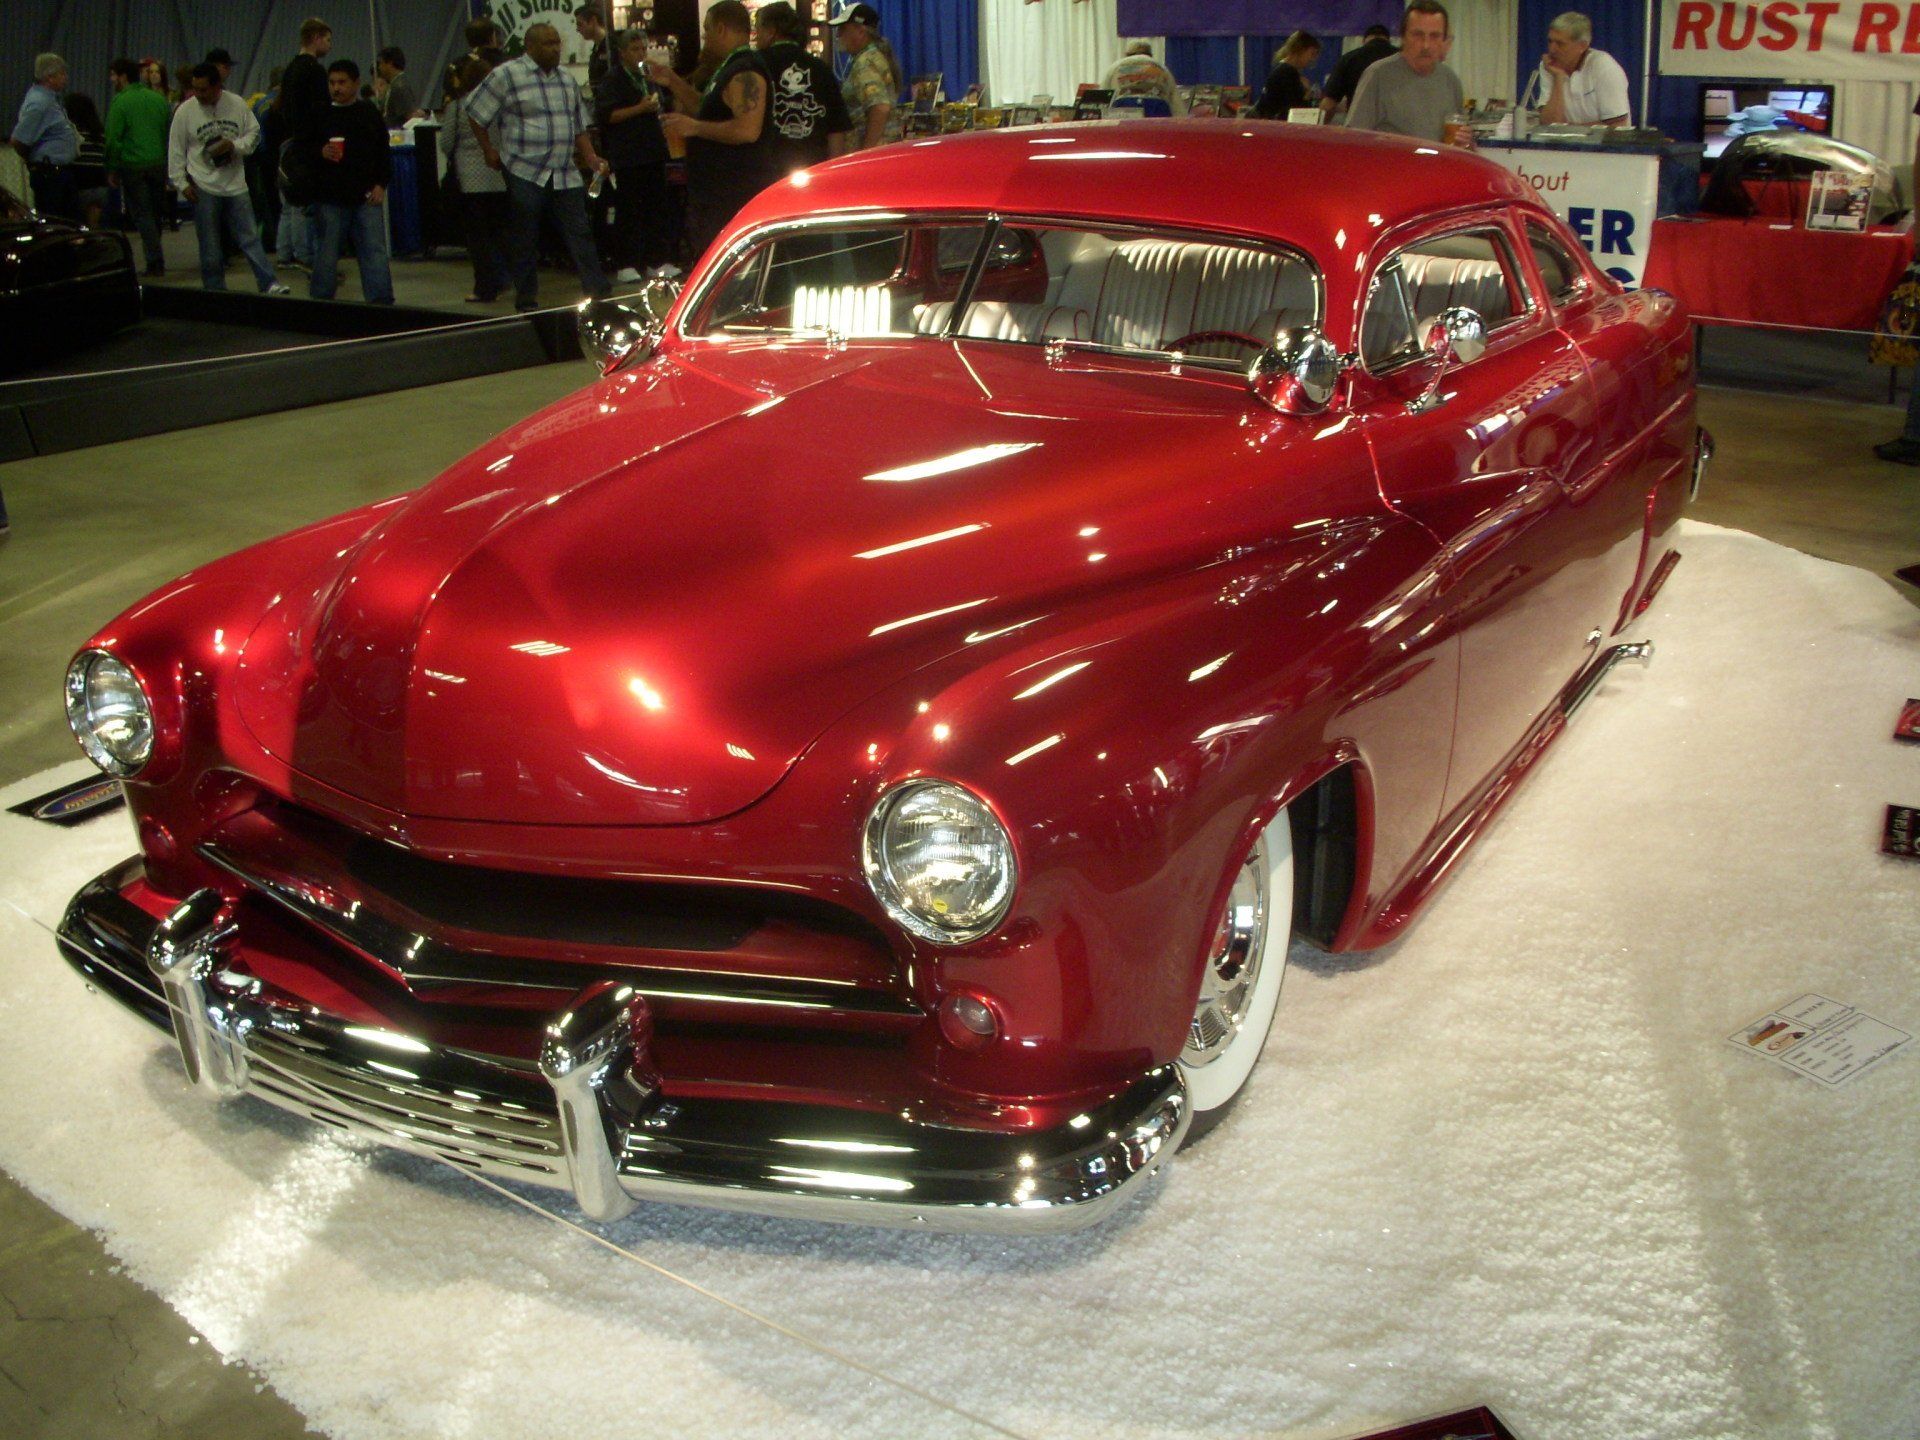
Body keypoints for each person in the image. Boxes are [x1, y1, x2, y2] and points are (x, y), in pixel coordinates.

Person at [462, 20, 610, 312]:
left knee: (580, 232)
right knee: (525, 237)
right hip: (524, 170)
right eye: (548, 44)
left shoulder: (566, 79)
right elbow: (475, 111)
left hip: (564, 171)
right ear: (529, 47)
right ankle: (526, 299)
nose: (555, 49)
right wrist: (488, 149)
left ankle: (598, 292)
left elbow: (578, 125)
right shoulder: (506, 75)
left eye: (557, 43)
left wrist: (591, 157)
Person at [651, 1, 776, 262]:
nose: (704, 38)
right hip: (716, 194)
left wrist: (694, 127)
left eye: (706, 30)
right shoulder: (729, 68)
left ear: (721, 29)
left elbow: (747, 130)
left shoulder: (745, 70)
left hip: (732, 195)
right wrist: (672, 81)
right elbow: (704, 109)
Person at [168, 62, 289, 293]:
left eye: (203, 89)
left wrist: (234, 146)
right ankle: (215, 289)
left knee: (250, 238)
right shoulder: (184, 112)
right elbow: (175, 149)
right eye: (195, 89)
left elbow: (254, 134)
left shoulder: (237, 104)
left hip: (235, 186)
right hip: (203, 186)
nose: (198, 94)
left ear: (217, 86)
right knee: (210, 243)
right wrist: (181, 183)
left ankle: (268, 283)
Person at [300, 58, 393, 303]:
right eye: (332, 83)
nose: (336, 88)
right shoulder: (319, 114)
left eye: (342, 82)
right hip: (329, 197)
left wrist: (381, 184)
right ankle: (321, 300)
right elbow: (303, 149)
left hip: (366, 195)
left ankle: (381, 301)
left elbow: (383, 151)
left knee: (374, 251)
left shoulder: (368, 113)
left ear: (356, 83)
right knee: (326, 252)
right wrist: (320, 151)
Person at [594, 28, 674, 282]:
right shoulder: (613, 80)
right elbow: (608, 116)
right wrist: (640, 108)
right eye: (634, 49)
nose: (640, 54)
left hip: (652, 150)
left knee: (656, 207)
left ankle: (656, 260)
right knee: (629, 209)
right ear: (622, 53)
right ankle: (627, 262)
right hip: (627, 154)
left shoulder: (647, 76)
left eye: (643, 49)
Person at [441, 55, 511, 301]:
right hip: (499, 177)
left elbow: (446, 143)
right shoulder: (501, 107)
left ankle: (484, 287)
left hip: (470, 181)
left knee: (478, 239)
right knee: (500, 235)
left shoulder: (458, 106)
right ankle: (504, 279)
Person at [1343, 1, 1463, 144]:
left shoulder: (1451, 80)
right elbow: (1354, 138)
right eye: (1418, 35)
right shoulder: (1378, 76)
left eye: (1434, 36)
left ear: (1444, 40)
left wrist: (1465, 142)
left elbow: (1457, 141)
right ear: (1403, 37)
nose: (1426, 45)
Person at [753, 2, 850, 175]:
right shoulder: (821, 69)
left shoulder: (755, 65)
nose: (756, 37)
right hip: (813, 167)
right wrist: (833, 172)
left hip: (765, 170)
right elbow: (836, 130)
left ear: (771, 31)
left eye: (758, 30)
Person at [106, 58, 171, 273]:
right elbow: (167, 132)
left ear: (123, 76)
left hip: (133, 165)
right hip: (158, 164)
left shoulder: (120, 102)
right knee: (155, 213)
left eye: (114, 75)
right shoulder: (158, 100)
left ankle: (155, 260)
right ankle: (155, 255)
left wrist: (112, 168)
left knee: (143, 215)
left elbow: (113, 139)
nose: (112, 80)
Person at [278, 18, 333, 268]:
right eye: (328, 40)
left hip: (290, 141)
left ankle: (286, 253)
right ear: (316, 38)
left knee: (291, 204)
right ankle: (307, 257)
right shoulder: (315, 71)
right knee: (306, 206)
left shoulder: (290, 69)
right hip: (310, 145)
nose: (330, 45)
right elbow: (320, 112)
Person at [9, 54, 80, 218]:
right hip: (50, 175)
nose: (66, 78)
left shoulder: (51, 100)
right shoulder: (40, 103)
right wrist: (33, 161)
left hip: (58, 172)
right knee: (55, 220)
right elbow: (18, 139)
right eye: (62, 74)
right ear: (49, 77)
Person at [1534, 13, 1630, 128]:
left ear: (1582, 46)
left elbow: (1618, 125)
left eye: (1560, 44)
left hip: (1605, 139)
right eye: (1550, 41)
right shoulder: (1548, 66)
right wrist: (1558, 77)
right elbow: (1549, 125)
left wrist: (1568, 130)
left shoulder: (1604, 66)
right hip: (1564, 139)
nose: (1552, 49)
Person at [831, 3, 900, 152]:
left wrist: (866, 152)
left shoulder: (865, 63)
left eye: (842, 29)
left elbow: (880, 108)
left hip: (874, 154)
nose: (837, 35)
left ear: (861, 32)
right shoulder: (875, 56)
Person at [1320, 25, 1396, 120]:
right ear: (1389, 40)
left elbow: (1328, 105)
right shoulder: (1403, 59)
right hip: (1397, 124)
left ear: (1363, 41)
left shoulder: (1348, 59)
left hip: (1360, 123)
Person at [64, 92, 110, 227]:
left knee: (76, 228)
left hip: (79, 185)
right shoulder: (100, 133)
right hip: (99, 185)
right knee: (93, 227)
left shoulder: (71, 132)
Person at [1251, 32, 1321, 120]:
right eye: (1312, 54)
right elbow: (1296, 110)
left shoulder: (1283, 70)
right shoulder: (1288, 73)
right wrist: (1307, 93)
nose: (1312, 59)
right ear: (1300, 50)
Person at [1103, 42, 1176, 105]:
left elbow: (1103, 94)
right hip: (1157, 110)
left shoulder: (1114, 67)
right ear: (1150, 55)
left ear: (1127, 55)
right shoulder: (1161, 68)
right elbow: (1175, 100)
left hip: (1122, 110)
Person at [373, 47, 422, 127]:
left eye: (381, 63)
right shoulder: (394, 84)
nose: (379, 67)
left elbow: (410, 117)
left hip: (397, 132)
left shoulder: (399, 87)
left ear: (390, 63)